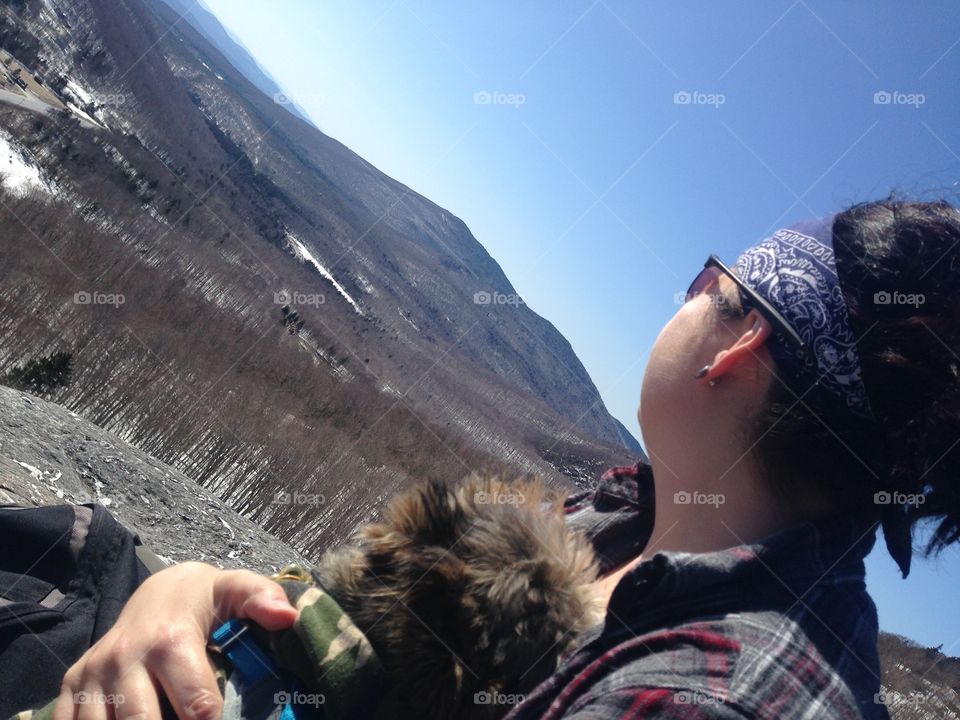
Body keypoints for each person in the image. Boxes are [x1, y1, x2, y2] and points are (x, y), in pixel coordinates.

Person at [49, 198, 960, 719]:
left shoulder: (715, 700)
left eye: (706, 284)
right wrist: (192, 596)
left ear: (739, 346)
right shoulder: (623, 525)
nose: (682, 301)